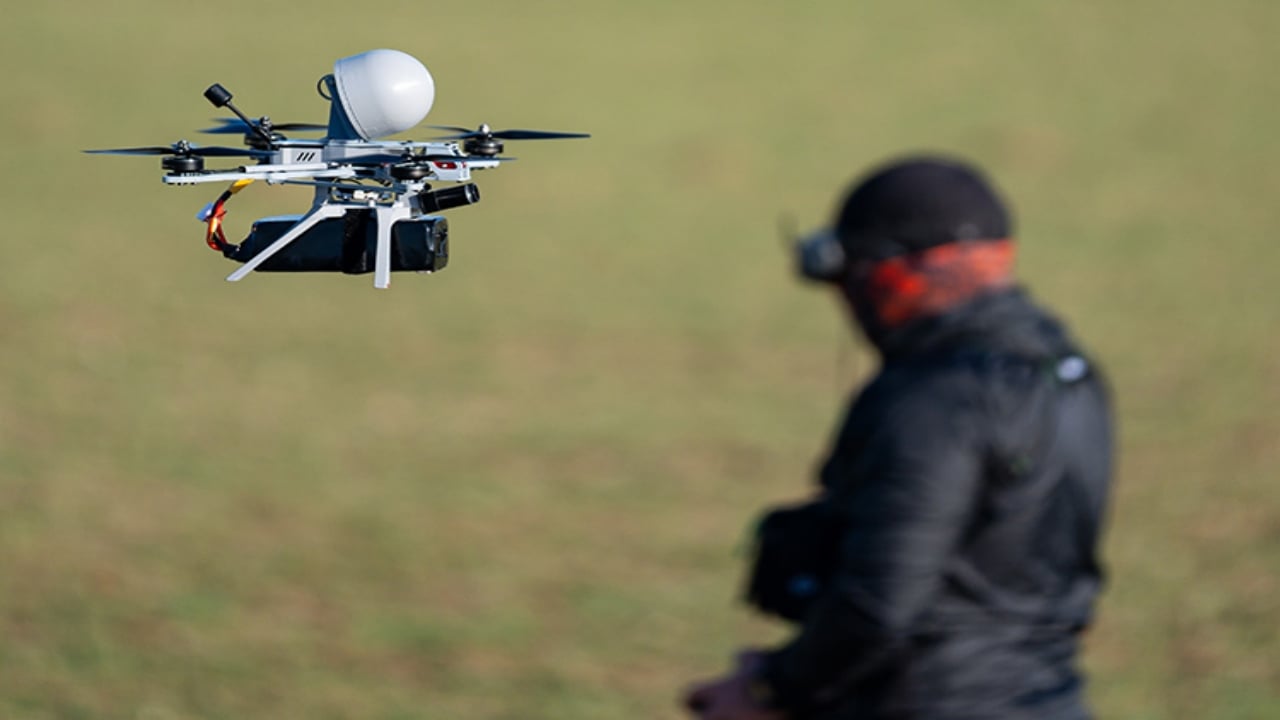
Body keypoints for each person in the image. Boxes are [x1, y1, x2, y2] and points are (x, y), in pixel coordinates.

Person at [683, 156, 1114, 720]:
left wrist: (770, 692)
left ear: (893, 271)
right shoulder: (1069, 373)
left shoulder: (935, 401)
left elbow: (882, 602)